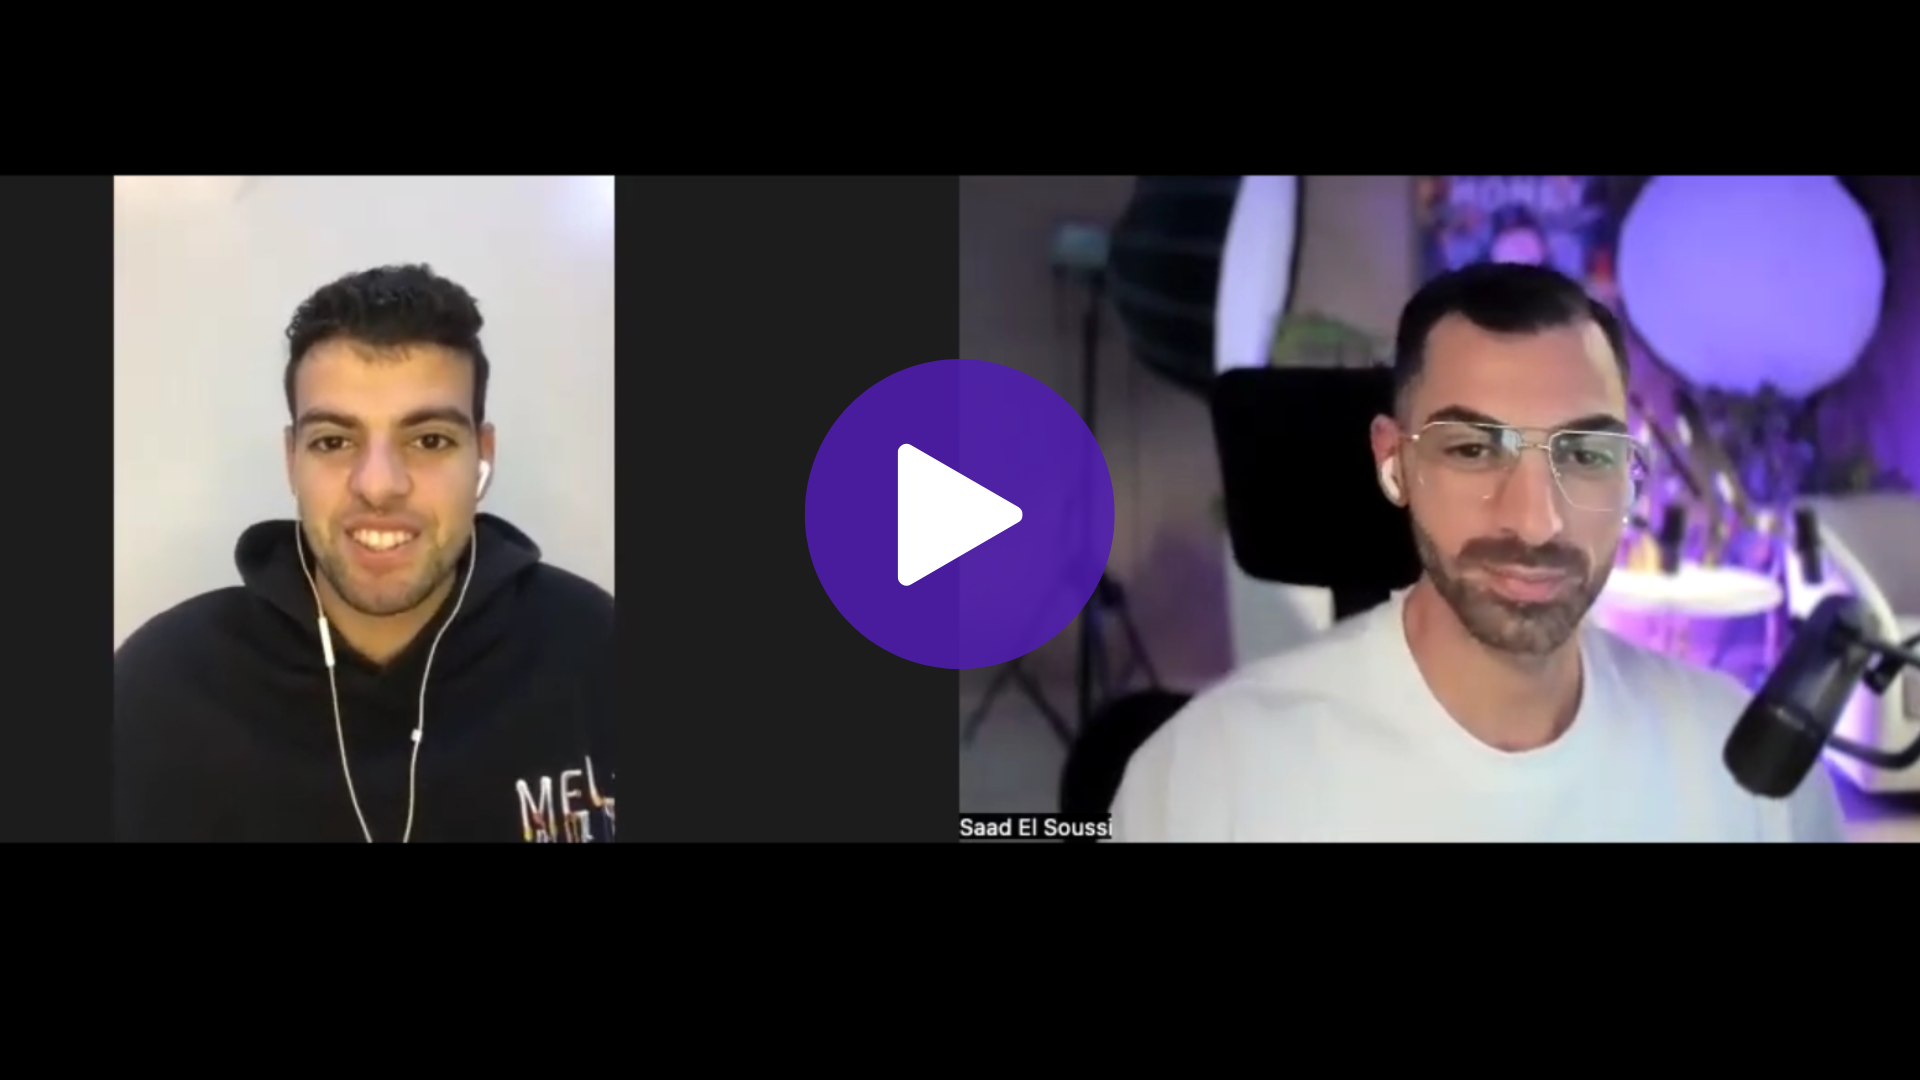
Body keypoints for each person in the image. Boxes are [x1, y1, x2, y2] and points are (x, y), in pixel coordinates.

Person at [1113, 262, 1845, 842]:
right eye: (1472, 449)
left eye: (1585, 454)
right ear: (1395, 463)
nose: (1536, 522)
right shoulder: (1215, 776)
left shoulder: (1745, 770)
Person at [113, 264, 615, 843]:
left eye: (429, 440)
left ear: (483, 455)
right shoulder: (160, 690)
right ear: (291, 460)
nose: (378, 486)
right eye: (334, 441)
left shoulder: (596, 651)